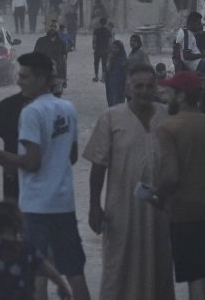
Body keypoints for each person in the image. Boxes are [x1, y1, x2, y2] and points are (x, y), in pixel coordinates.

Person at [0, 52, 92, 300]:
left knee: (36, 273)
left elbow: (31, 162)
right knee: (74, 271)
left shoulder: (31, 112)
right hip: (63, 203)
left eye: (24, 76)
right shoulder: (68, 108)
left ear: (41, 78)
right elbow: (71, 156)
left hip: (36, 206)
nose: (19, 81)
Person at [83, 64, 176, 300]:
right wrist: (94, 206)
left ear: (156, 87)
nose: (144, 91)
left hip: (159, 212)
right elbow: (98, 166)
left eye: (149, 86)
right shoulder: (111, 118)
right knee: (119, 269)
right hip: (122, 211)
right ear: (128, 88)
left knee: (159, 267)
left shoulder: (167, 117)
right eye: (138, 86)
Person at [151, 71, 205, 300]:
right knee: (201, 278)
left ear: (181, 96)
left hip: (185, 212)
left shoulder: (169, 129)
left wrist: (157, 196)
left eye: (170, 92)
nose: (166, 97)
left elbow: (170, 175)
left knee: (193, 278)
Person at [34, 21, 68, 89]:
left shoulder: (61, 43)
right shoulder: (41, 41)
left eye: (55, 26)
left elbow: (64, 61)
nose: (52, 28)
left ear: (58, 29)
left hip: (58, 73)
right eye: (51, 26)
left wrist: (64, 79)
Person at [104, 40, 127, 107]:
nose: (114, 49)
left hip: (119, 86)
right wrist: (110, 61)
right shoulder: (111, 57)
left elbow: (125, 74)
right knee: (111, 103)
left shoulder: (123, 59)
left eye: (116, 48)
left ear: (120, 49)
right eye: (113, 47)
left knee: (117, 105)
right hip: (111, 85)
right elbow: (108, 71)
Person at [92, 18, 112, 82]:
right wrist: (110, 49)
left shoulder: (96, 30)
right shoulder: (108, 31)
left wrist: (94, 46)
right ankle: (103, 77)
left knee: (96, 62)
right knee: (104, 63)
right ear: (105, 23)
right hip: (105, 49)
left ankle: (96, 76)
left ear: (100, 23)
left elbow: (94, 39)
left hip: (98, 49)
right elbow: (110, 41)